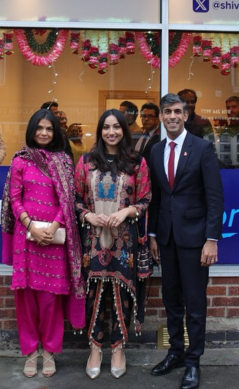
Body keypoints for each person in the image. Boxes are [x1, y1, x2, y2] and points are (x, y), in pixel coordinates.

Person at [0, 109, 85, 379]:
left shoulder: (63, 161)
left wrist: (53, 227)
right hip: (26, 239)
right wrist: (30, 226)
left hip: (54, 238)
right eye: (40, 128)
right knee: (25, 299)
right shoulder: (20, 161)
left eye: (49, 129)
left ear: (56, 132)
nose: (44, 133)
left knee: (50, 300)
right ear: (32, 130)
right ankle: (30, 352)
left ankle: (49, 351)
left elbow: (68, 200)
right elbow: (14, 198)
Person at [148, 93, 223, 389]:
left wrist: (211, 239)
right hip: (166, 239)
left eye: (178, 111)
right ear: (162, 116)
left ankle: (193, 362)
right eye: (167, 112)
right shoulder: (155, 150)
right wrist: (153, 234)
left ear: (186, 114)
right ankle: (175, 353)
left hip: (195, 240)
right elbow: (155, 198)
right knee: (171, 301)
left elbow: (215, 198)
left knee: (194, 304)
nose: (172, 116)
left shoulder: (203, 148)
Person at [74, 109, 151, 380]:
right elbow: (76, 199)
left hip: (124, 241)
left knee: (121, 296)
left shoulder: (136, 162)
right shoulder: (86, 161)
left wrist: (126, 212)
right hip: (93, 240)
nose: (111, 132)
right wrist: (89, 215)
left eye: (116, 127)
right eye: (106, 127)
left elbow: (145, 199)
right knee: (94, 294)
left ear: (124, 130)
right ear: (100, 130)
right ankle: (94, 348)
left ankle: (118, 348)